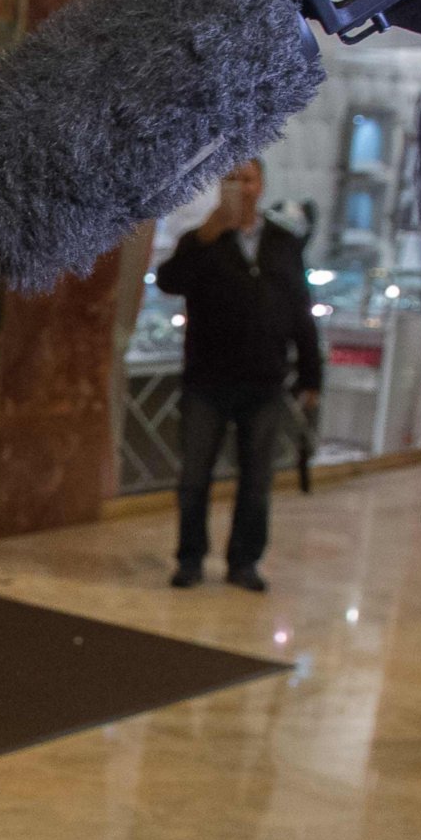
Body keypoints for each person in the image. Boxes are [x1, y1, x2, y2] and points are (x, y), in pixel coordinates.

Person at [153, 158, 323, 593]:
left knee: (256, 481)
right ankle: (190, 558)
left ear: (261, 184)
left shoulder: (283, 242)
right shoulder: (203, 240)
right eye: (231, 180)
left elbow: (300, 312)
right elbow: (169, 282)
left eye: (247, 179)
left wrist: (310, 376)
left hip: (264, 382)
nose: (240, 188)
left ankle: (244, 562)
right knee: (193, 478)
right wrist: (204, 238)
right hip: (206, 381)